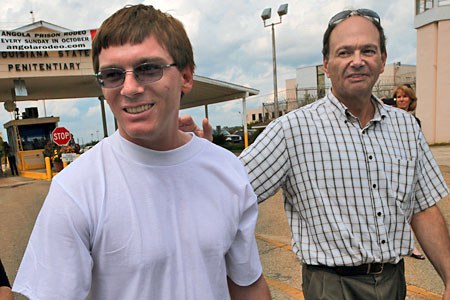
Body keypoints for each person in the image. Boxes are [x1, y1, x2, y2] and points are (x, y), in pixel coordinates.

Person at [180, 8, 450, 299]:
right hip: (331, 287)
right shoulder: (292, 130)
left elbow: (423, 208)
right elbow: (228, 192)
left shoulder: (406, 127)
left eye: (368, 50)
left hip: (394, 282)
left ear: (382, 60)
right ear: (326, 63)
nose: (357, 61)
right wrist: (200, 159)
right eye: (344, 52)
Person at [13, 5, 270, 300]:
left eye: (148, 69)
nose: (130, 88)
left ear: (186, 76)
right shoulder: (75, 190)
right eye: (113, 74)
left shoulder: (227, 170)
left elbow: (247, 284)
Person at [392, 84, 426, 260]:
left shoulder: (414, 122)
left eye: (404, 97)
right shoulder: (388, 118)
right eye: (398, 97)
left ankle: (411, 245)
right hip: (392, 167)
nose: (401, 100)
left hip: (407, 167)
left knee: (410, 208)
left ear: (411, 100)